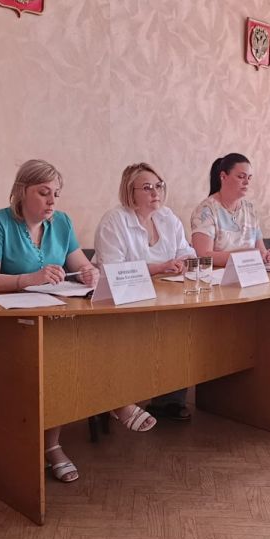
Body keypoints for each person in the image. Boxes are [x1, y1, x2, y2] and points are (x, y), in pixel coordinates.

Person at [0, 160, 156, 483]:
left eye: (56, 194)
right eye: (43, 193)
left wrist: (89, 273)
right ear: (21, 191)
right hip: (10, 322)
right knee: (58, 351)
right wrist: (28, 279)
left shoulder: (61, 223)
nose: (52, 201)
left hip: (54, 314)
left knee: (91, 338)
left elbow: (83, 266)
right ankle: (97, 415)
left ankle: (106, 405)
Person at [94, 163, 195, 420]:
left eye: (158, 186)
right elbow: (112, 270)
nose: (155, 192)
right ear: (131, 192)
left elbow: (188, 252)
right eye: (147, 188)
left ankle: (169, 399)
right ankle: (118, 398)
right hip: (123, 301)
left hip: (166, 297)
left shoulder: (167, 217)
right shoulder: (115, 221)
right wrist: (159, 267)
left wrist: (182, 262)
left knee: (182, 325)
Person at [190, 153, 270, 267]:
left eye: (249, 177)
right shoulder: (206, 210)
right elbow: (203, 256)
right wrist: (246, 256)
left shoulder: (250, 210)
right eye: (241, 177)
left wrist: (268, 256)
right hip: (216, 276)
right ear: (223, 176)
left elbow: (261, 252)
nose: (247, 182)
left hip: (250, 273)